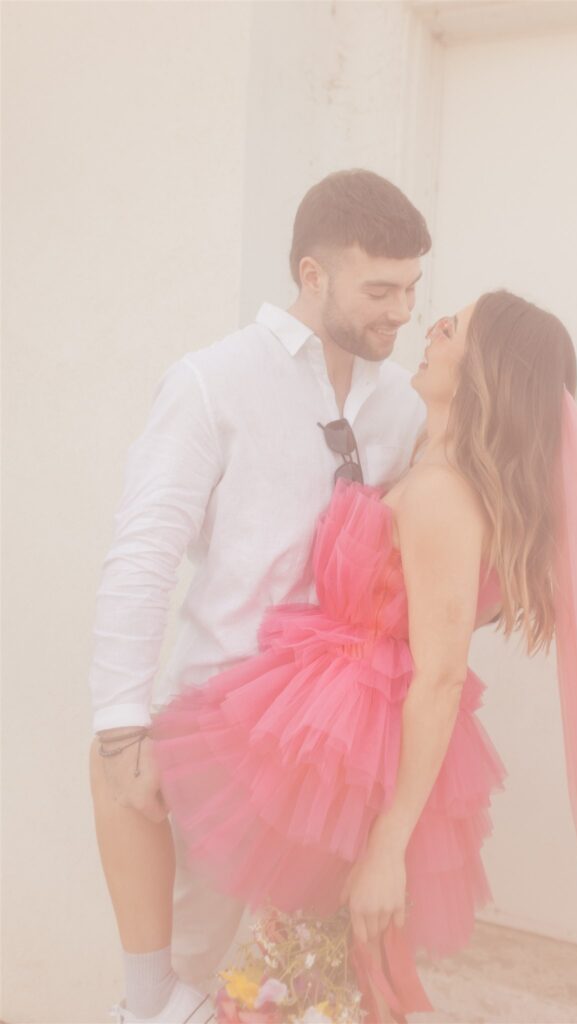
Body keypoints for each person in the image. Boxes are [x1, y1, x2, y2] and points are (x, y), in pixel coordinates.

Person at [150, 290, 577, 1024]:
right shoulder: (427, 469)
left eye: (454, 326)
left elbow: (437, 676)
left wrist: (385, 849)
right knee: (297, 967)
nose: (432, 327)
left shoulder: (441, 495)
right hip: (334, 739)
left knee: (296, 972)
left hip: (351, 757)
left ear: (485, 371)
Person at [88, 169, 431, 1023]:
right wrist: (123, 722)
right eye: (379, 288)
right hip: (222, 728)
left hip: (343, 749)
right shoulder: (212, 382)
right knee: (196, 974)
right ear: (312, 277)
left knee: (298, 989)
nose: (401, 311)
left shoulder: (402, 406)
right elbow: (144, 553)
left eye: (413, 289)